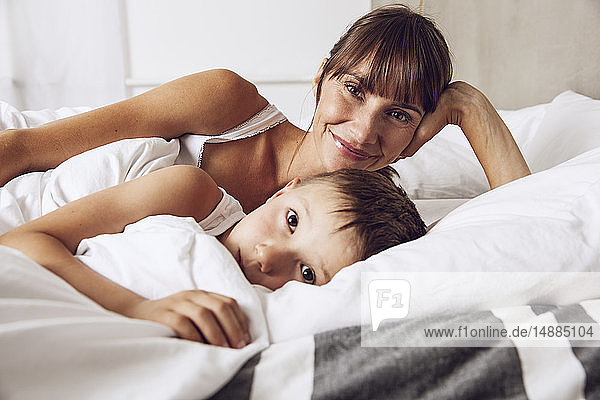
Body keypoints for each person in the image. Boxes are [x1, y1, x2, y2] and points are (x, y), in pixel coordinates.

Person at [0, 5, 530, 213]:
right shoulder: (227, 102)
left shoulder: (363, 218)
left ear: (420, 131)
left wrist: (468, 105)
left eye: (399, 115)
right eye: (355, 89)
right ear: (321, 78)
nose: (365, 130)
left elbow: (529, 221)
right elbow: (26, 147)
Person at [0, 165, 426, 348]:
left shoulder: (264, 310)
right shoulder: (191, 195)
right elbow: (25, 240)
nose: (267, 256)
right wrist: (136, 308)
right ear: (283, 191)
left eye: (309, 272)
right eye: (291, 220)